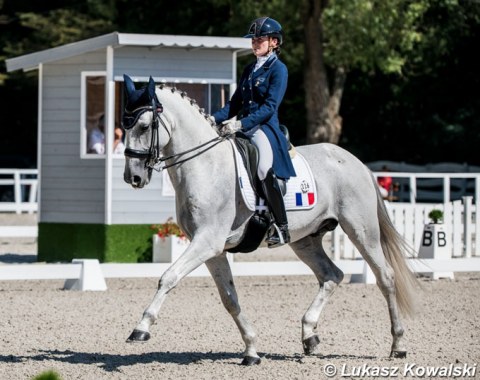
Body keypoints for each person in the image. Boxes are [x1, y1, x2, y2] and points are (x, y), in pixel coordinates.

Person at [211, 17, 296, 247]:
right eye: (254, 40)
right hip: (245, 128)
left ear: (274, 42)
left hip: (264, 129)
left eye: (260, 39)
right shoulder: (249, 69)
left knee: (262, 168)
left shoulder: (278, 69)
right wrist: (210, 119)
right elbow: (234, 104)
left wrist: (240, 124)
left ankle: (282, 226)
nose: (255, 43)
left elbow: (270, 107)